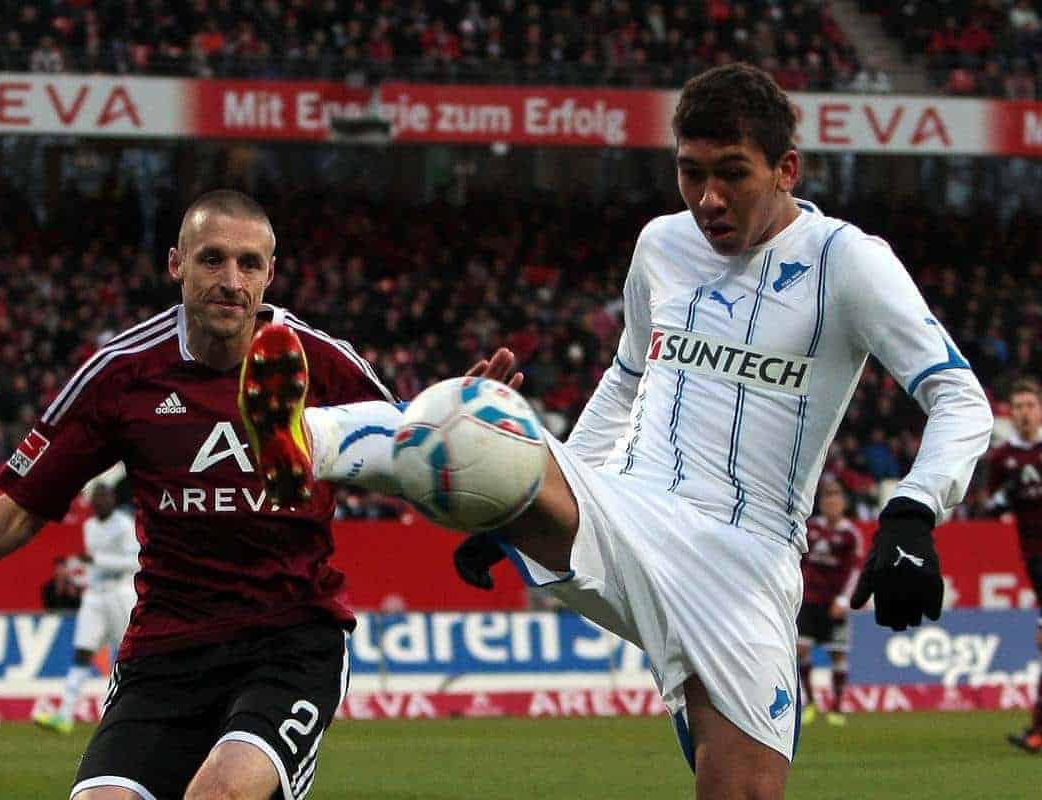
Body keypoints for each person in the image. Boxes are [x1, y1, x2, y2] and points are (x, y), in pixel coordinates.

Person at [240, 64, 993, 799]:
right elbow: (628, 380)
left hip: (743, 563)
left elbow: (960, 398)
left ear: (787, 168)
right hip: (629, 507)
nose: (708, 199)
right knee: (468, 421)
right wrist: (518, 497)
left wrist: (912, 512)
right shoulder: (661, 246)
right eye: (690, 172)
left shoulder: (848, 263)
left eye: (732, 173)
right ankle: (302, 439)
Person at [0, 190, 395, 800]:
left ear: (270, 274)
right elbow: (20, 509)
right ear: (176, 264)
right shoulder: (122, 374)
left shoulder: (319, 362)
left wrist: (464, 429)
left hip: (289, 640)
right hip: (167, 651)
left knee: (223, 794)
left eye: (248, 264)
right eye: (212, 260)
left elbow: (417, 453)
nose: (230, 281)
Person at [34, 482, 139, 735]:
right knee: (82, 651)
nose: (100, 501)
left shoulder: (125, 525)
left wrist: (97, 561)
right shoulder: (89, 526)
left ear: (113, 499)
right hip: (94, 597)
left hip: (119, 593)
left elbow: (135, 560)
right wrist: (81, 578)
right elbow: (93, 567)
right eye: (97, 497)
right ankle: (65, 715)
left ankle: (125, 713)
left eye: (105, 496)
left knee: (126, 655)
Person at [984, 377, 1042, 754]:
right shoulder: (1002, 458)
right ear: (1009, 413)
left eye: (1030, 405)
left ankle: (1037, 731)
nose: (1024, 412)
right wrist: (1004, 496)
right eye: (1017, 406)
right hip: (1035, 558)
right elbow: (991, 508)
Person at [797, 479, 863, 726]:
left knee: (837, 653)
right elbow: (798, 562)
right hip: (810, 600)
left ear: (843, 503)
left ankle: (836, 706)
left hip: (834, 602)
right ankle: (811, 703)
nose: (831, 502)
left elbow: (855, 570)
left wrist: (844, 599)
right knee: (800, 650)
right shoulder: (811, 529)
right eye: (826, 498)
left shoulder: (849, 534)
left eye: (835, 497)